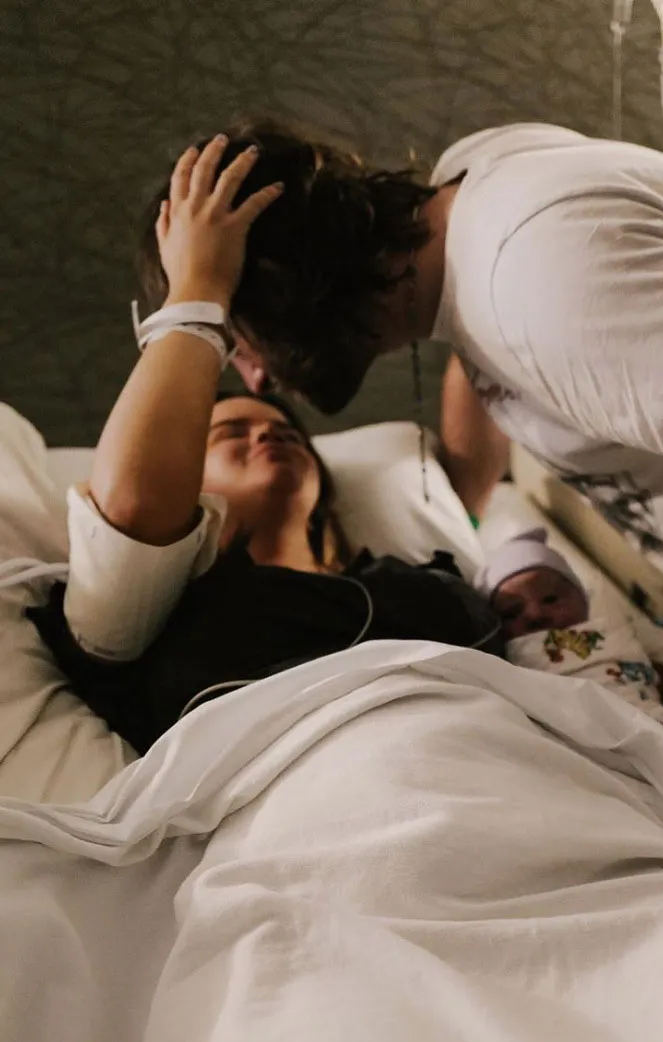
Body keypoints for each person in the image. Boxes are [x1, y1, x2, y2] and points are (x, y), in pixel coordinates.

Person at [135, 123, 663, 817]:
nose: (254, 379)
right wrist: (466, 492)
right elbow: (490, 347)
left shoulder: (548, 277)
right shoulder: (474, 195)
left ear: (290, 289)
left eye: (240, 341)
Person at [28, 143, 502, 753]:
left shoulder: (417, 582)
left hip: (507, 767)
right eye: (231, 434)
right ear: (188, 482)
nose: (269, 432)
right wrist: (199, 288)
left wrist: (467, 266)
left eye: (286, 433)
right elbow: (133, 505)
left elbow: (476, 444)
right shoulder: (154, 617)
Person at [478, 528, 663, 763]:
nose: (535, 614)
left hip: (651, 737)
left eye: (550, 598)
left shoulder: (618, 634)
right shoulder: (508, 664)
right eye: (511, 612)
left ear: (582, 600)